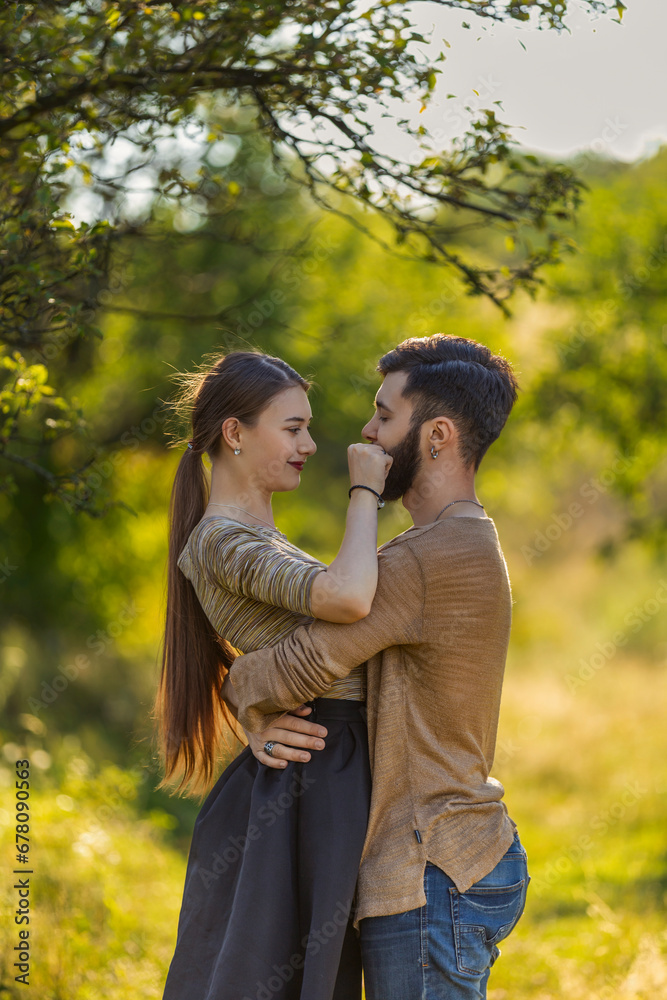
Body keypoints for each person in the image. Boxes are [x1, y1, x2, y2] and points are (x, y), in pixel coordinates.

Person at [223, 333, 531, 1000]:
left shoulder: (422, 560)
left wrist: (235, 685)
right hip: (463, 852)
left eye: (384, 416)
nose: (366, 432)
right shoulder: (466, 538)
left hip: (429, 869)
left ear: (437, 436)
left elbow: (301, 665)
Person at [154, 349, 392, 1000]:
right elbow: (347, 597)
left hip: (320, 766)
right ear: (234, 432)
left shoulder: (257, 537)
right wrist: (365, 490)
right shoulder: (222, 540)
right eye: (293, 428)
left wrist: (245, 693)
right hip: (311, 775)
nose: (309, 445)